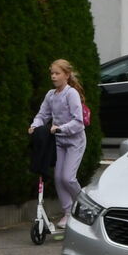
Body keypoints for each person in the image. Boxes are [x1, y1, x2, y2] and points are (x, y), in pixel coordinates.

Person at [27, 59, 87, 229]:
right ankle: (68, 213)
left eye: (57, 73)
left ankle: (85, 206)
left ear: (66, 75)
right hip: (59, 142)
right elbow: (42, 115)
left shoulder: (71, 94)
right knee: (59, 178)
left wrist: (60, 128)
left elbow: (79, 122)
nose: (53, 76)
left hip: (75, 141)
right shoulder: (51, 95)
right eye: (52, 73)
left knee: (68, 178)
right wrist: (34, 126)